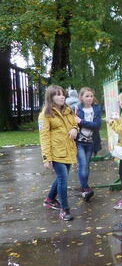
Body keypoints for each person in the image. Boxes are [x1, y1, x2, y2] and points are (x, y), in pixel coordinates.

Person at [39, 85, 79, 221]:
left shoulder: (68, 110)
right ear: (51, 97)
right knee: (63, 179)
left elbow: (74, 124)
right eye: (58, 94)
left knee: (62, 177)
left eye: (62, 94)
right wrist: (46, 158)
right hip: (56, 152)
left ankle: (50, 199)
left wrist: (75, 129)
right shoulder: (45, 114)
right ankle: (64, 209)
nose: (62, 97)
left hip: (69, 150)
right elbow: (44, 137)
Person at [73, 87, 102, 202]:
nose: (90, 98)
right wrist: (78, 123)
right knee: (83, 164)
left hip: (91, 142)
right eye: (87, 96)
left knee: (86, 165)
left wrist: (81, 122)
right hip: (79, 142)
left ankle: (84, 188)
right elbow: (73, 124)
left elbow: (97, 125)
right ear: (81, 97)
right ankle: (84, 187)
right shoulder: (77, 108)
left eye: (91, 96)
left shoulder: (97, 108)